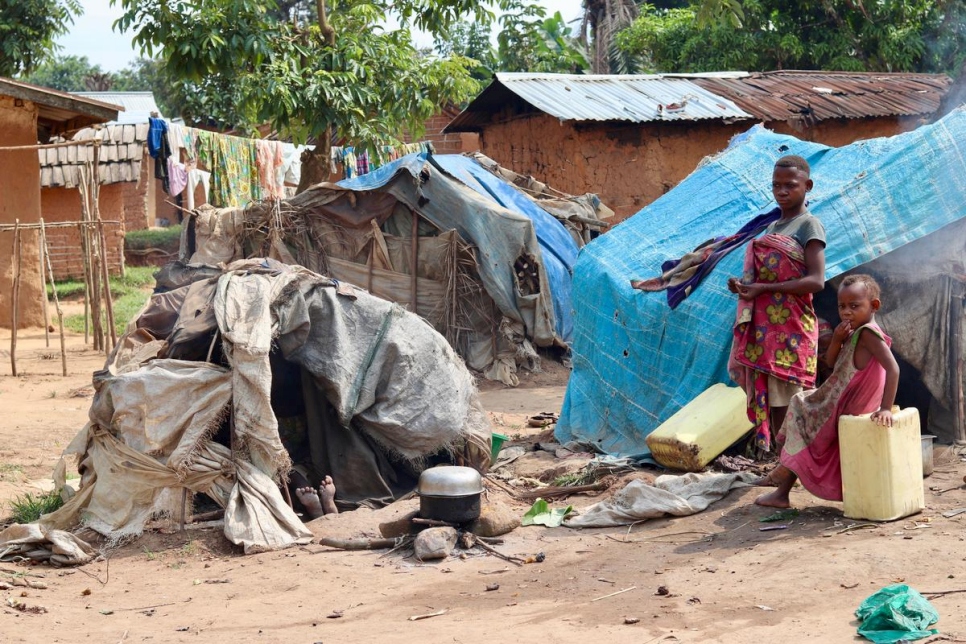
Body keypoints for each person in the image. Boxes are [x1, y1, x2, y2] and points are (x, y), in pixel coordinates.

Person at [755, 274, 900, 508]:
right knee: (800, 404)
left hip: (847, 403)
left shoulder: (868, 334)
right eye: (842, 306)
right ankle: (783, 478)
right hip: (841, 400)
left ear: (873, 306)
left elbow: (893, 369)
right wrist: (836, 340)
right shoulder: (854, 332)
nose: (846, 312)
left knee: (800, 409)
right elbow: (830, 363)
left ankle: (782, 486)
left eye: (854, 306)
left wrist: (885, 408)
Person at [728, 155, 827, 453]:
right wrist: (745, 287)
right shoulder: (773, 228)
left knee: (790, 399)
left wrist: (764, 288)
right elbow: (766, 275)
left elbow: (816, 280)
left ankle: (792, 463)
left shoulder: (809, 225)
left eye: (790, 185)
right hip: (768, 330)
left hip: (792, 329)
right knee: (773, 398)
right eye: (776, 185)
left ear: (807, 186)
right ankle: (780, 462)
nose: (782, 191)